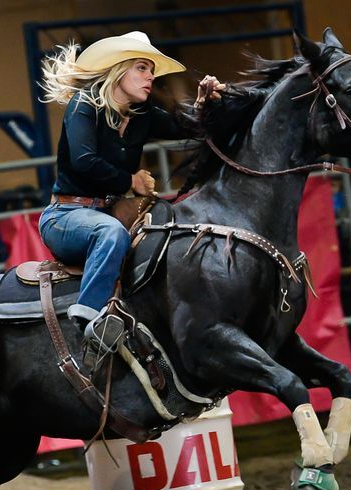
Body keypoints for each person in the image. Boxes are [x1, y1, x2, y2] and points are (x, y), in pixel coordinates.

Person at [37, 31, 224, 351]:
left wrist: (206, 106)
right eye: (141, 68)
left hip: (108, 213)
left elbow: (189, 127)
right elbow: (84, 161)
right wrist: (130, 182)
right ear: (118, 70)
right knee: (110, 233)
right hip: (65, 216)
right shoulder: (84, 105)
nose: (150, 77)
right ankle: (90, 318)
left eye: (151, 70)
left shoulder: (143, 115)